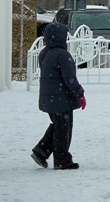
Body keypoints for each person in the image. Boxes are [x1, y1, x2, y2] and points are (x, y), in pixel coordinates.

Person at [31, 22, 85, 170]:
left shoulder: (44, 53)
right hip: (61, 100)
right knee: (63, 130)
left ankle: (41, 150)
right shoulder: (62, 55)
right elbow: (70, 79)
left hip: (49, 99)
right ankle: (62, 160)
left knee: (58, 125)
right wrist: (80, 94)